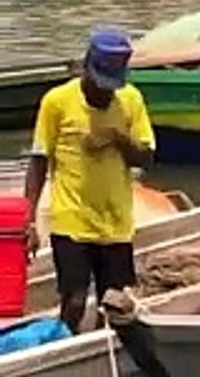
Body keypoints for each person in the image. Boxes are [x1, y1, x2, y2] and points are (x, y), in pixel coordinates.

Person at [24, 28, 156, 334]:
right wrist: (28, 220)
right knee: (74, 300)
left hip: (116, 222)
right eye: (100, 85)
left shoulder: (130, 101)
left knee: (114, 305)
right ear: (87, 67)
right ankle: (62, 349)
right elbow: (39, 160)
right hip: (72, 220)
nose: (105, 93)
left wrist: (117, 137)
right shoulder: (56, 102)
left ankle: (100, 352)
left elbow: (146, 158)